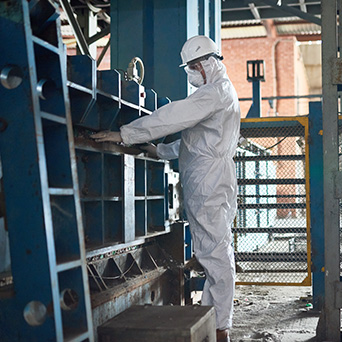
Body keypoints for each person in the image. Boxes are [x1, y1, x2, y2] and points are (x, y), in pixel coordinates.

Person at [91, 35, 240, 342]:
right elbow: (193, 143)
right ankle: (213, 321)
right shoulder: (218, 94)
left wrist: (125, 133)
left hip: (209, 183)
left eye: (192, 68)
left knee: (216, 254)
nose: (190, 73)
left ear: (203, 65)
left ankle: (221, 327)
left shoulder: (213, 93)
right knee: (213, 253)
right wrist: (157, 151)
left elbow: (173, 117)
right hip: (208, 180)